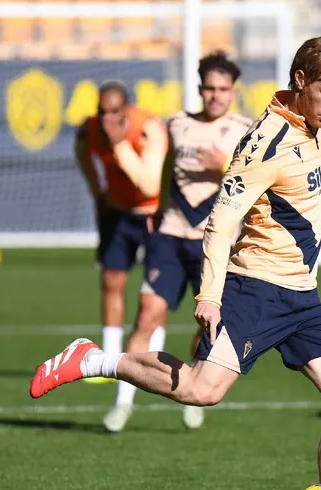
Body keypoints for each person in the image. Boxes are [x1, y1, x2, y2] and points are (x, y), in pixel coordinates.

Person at [31, 35, 321, 490]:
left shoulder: (316, 122)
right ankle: (95, 360)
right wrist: (208, 294)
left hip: (302, 297)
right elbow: (221, 222)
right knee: (202, 391)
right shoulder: (265, 144)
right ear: (301, 82)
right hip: (255, 290)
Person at [104, 51, 253, 433]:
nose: (215, 96)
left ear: (233, 92)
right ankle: (123, 402)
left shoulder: (246, 131)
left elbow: (257, 185)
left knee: (207, 327)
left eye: (223, 89)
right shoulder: (175, 126)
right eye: (209, 88)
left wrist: (224, 165)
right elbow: (158, 174)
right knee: (148, 315)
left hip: (212, 243)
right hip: (170, 235)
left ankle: (191, 388)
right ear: (200, 89)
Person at [74, 82, 168, 382]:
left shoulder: (149, 128)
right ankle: (109, 360)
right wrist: (98, 192)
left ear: (126, 110)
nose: (107, 119)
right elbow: (82, 153)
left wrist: (119, 145)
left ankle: (151, 359)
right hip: (117, 212)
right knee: (111, 280)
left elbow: (149, 185)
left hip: (154, 215)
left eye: (114, 112)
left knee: (154, 293)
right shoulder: (88, 131)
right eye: (102, 112)